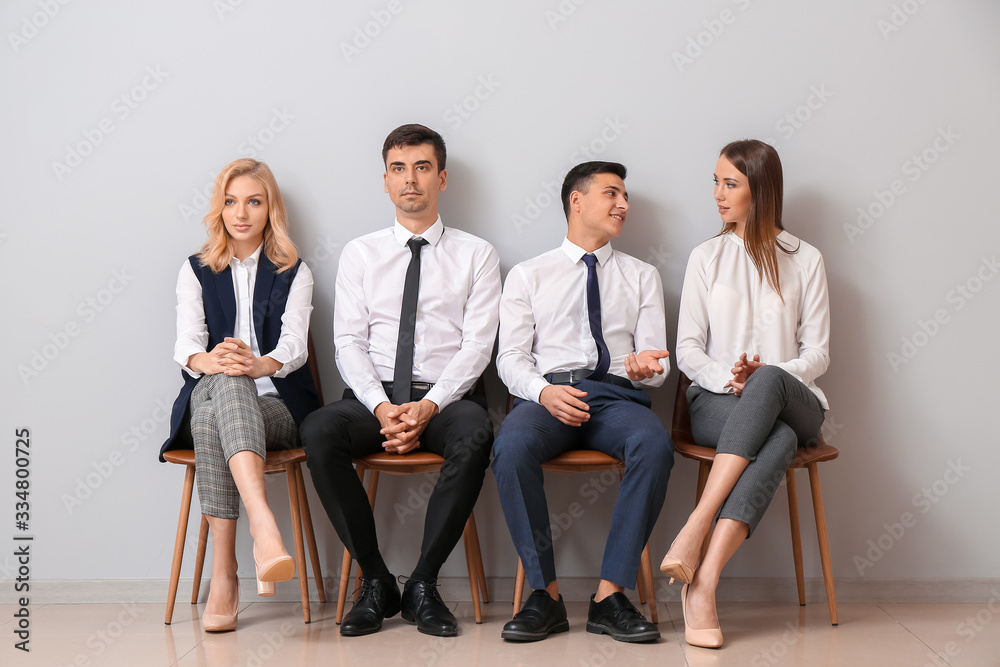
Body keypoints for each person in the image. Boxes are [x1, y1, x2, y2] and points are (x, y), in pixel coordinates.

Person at [300, 124, 501, 638]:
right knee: (320, 430)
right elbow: (348, 343)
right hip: (374, 397)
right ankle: (375, 581)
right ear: (385, 182)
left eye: (422, 167)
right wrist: (382, 408)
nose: (410, 179)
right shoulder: (360, 253)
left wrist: (427, 407)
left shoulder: (477, 254)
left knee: (477, 429)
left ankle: (424, 584)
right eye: (398, 169)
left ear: (442, 178)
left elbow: (478, 347)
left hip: (446, 398)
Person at [492, 161, 674, 643]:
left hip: (617, 396)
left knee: (654, 446)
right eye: (612, 194)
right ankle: (545, 595)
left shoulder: (642, 275)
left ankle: (610, 596)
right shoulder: (529, 275)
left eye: (626, 197)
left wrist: (646, 369)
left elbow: (659, 363)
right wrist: (544, 392)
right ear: (576, 200)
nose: (624, 205)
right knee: (510, 447)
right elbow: (509, 358)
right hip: (547, 395)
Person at [661, 139, 830, 649]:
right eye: (715, 181)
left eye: (730, 184)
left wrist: (763, 376)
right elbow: (687, 349)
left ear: (763, 190)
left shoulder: (806, 259)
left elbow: (818, 354)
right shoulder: (706, 257)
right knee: (774, 438)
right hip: (717, 401)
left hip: (795, 399)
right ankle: (705, 582)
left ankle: (696, 526)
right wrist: (728, 379)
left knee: (772, 383)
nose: (718, 193)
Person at [160, 158, 319, 632]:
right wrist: (214, 360)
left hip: (278, 406)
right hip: (212, 387)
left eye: (254, 201)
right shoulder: (195, 269)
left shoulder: (295, 269)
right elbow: (186, 343)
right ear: (219, 208)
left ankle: (224, 575)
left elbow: (294, 343)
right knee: (226, 382)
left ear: (271, 208)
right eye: (231, 202)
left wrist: (260, 364)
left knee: (216, 414)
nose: (241, 212)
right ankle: (263, 526)